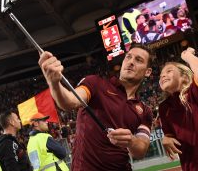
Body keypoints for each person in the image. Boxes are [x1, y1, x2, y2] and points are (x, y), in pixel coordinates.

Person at [39, 43, 154, 171]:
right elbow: (69, 101)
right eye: (128, 57)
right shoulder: (95, 83)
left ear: (148, 72)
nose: (131, 62)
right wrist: (54, 83)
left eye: (138, 60)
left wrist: (131, 141)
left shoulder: (145, 111)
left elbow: (141, 150)